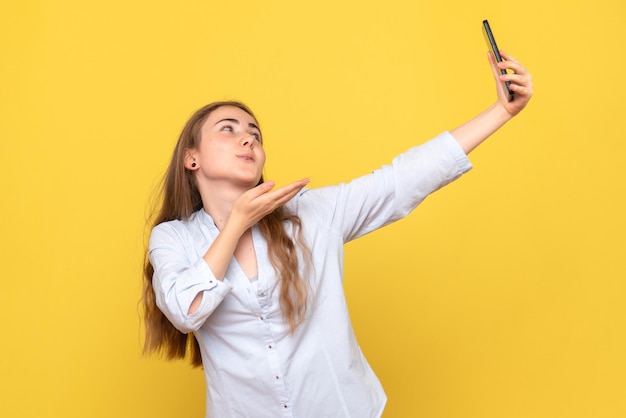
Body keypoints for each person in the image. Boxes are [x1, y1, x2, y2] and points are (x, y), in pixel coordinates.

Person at [141, 50, 533, 417]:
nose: (248, 139)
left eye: (255, 134)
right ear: (191, 158)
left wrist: (501, 111)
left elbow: (401, 181)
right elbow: (185, 311)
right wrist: (237, 223)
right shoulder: (173, 239)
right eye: (228, 130)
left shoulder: (311, 214)